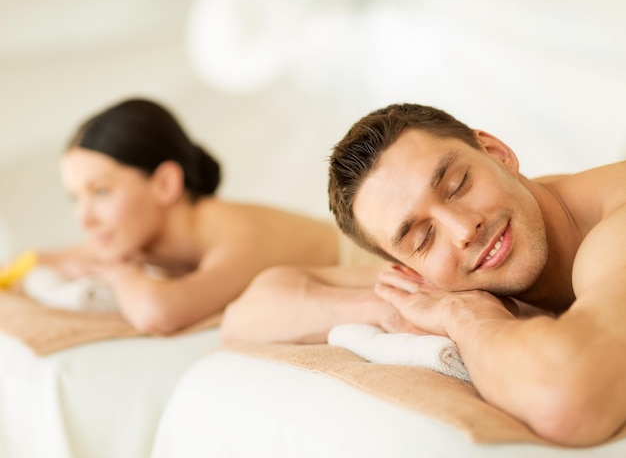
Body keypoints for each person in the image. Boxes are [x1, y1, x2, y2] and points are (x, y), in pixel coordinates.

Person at [222, 103, 626, 447]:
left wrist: (463, 315)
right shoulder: (452, 271)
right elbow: (246, 316)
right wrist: (393, 306)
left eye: (458, 185)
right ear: (408, 267)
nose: (464, 230)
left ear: (496, 152)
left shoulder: (614, 225)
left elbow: (566, 397)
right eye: (422, 238)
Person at [8, 97, 340, 334]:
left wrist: (122, 274)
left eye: (100, 192)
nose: (84, 219)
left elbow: (158, 313)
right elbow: (32, 263)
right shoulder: (136, 233)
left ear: (165, 183)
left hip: (364, 258)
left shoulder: (234, 233)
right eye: (75, 198)